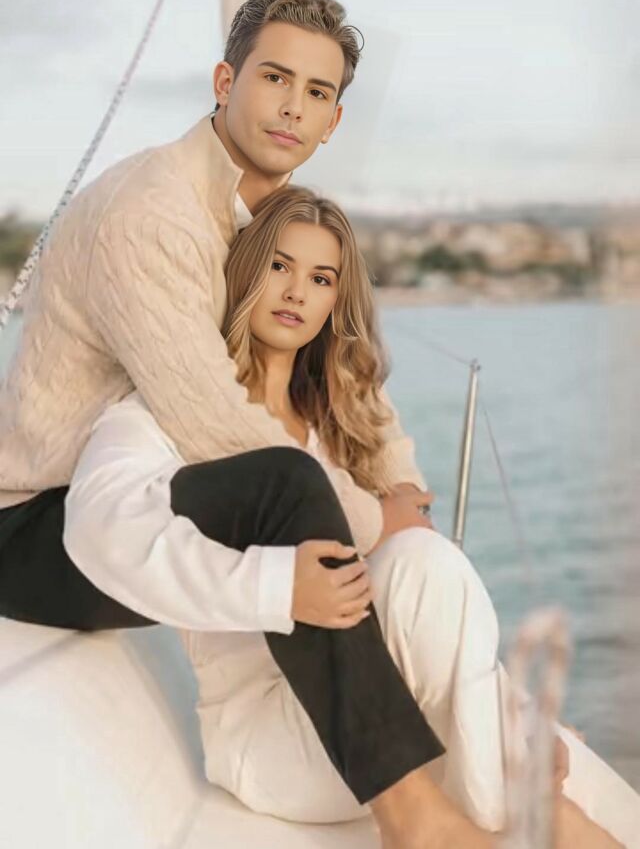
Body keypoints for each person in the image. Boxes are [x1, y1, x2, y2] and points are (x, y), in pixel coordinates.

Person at [0, 0, 516, 846]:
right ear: (224, 80)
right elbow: (214, 426)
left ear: (334, 120)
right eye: (275, 78)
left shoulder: (268, 219)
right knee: (290, 483)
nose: (292, 108)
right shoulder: (152, 212)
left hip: (149, 483)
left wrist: (401, 491)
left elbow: (348, 378)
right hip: (36, 525)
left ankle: (514, 768)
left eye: (317, 92)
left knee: (416, 557)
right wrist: (373, 518)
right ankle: (414, 818)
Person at [62, 187, 640, 848]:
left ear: (336, 300)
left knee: (424, 559)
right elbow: (98, 521)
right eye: (279, 266)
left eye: (321, 278)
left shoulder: (340, 428)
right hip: (272, 738)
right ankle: (529, 812)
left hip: (376, 725)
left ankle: (529, 799)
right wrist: (277, 585)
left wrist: (514, 709)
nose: (296, 292)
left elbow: (430, 612)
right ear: (244, 272)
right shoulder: (167, 413)